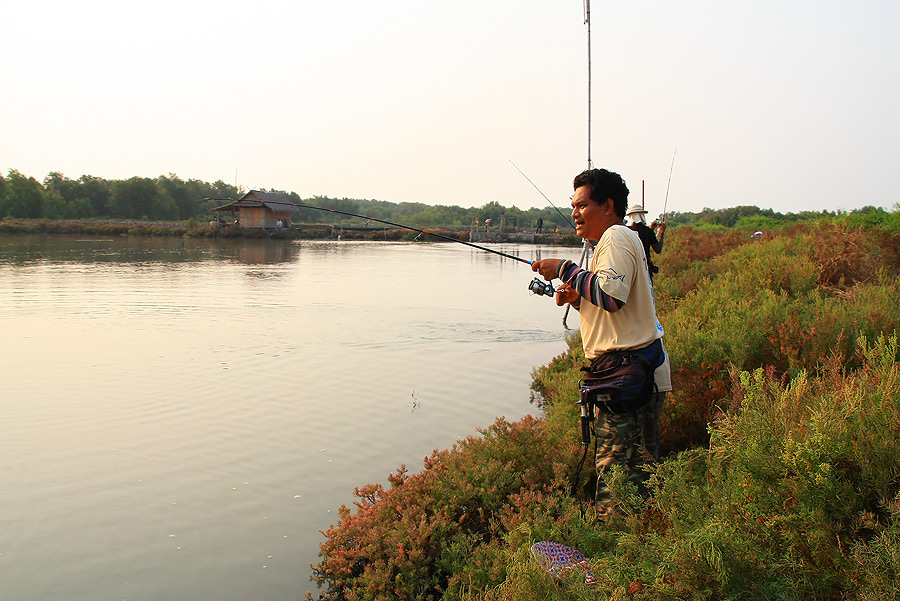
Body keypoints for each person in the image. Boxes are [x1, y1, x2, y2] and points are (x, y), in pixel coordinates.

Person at [531, 168, 670, 517]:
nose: (575, 213)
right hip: (629, 376)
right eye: (573, 206)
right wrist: (578, 298)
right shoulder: (607, 244)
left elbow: (611, 296)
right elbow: (611, 307)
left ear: (608, 205)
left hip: (631, 379)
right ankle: (638, 550)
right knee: (637, 479)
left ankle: (616, 558)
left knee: (618, 483)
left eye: (582, 205)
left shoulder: (617, 238)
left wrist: (565, 269)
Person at [625, 204, 666, 280]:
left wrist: (651, 230)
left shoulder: (626, 230)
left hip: (629, 269)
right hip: (645, 269)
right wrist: (662, 232)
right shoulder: (647, 231)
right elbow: (658, 249)